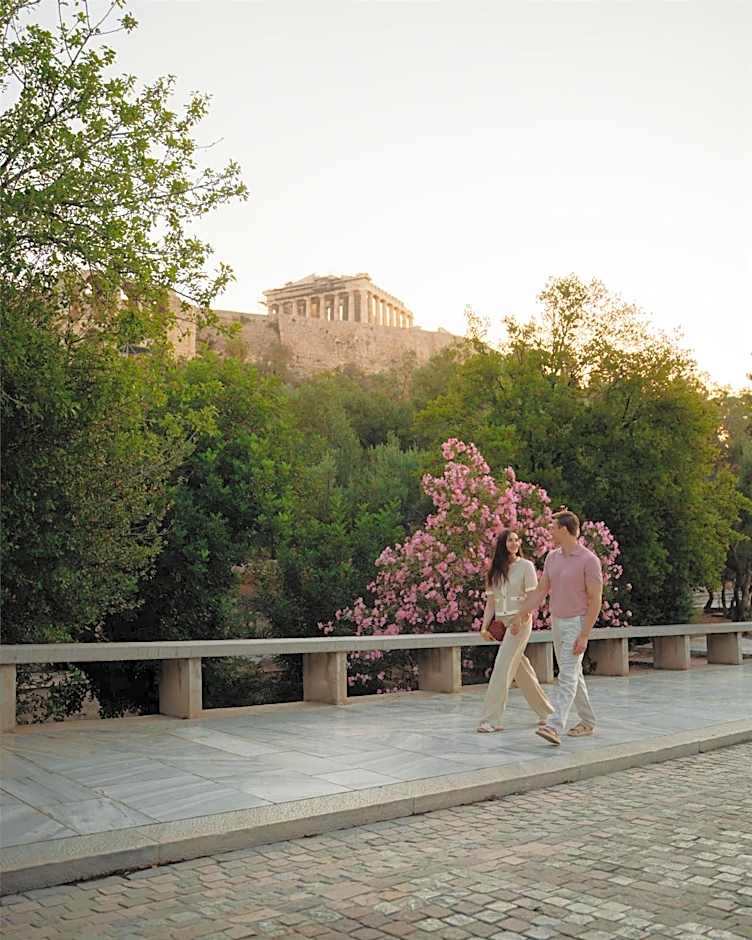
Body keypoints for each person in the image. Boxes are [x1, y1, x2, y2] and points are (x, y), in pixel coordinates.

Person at [510, 509, 603, 746]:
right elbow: (541, 590)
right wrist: (521, 613)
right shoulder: (553, 557)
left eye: (553, 528)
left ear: (564, 530)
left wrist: (584, 634)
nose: (550, 532)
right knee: (574, 674)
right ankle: (588, 721)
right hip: (558, 622)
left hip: (577, 623)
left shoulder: (589, 561)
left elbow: (595, 600)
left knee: (568, 674)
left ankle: (554, 725)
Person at [477, 529, 554, 733]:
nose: (513, 543)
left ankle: (491, 719)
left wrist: (520, 619)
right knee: (521, 668)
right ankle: (546, 712)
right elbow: (491, 603)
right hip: (503, 624)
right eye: (509, 540)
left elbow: (532, 598)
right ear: (502, 544)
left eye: (516, 540)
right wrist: (484, 626)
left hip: (520, 622)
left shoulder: (526, 566)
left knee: (502, 666)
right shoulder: (494, 570)